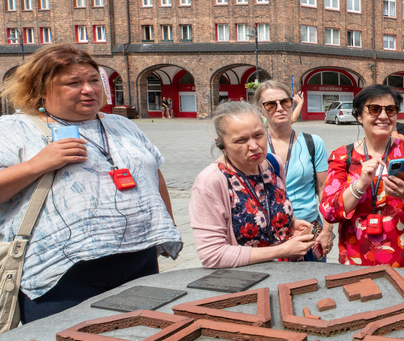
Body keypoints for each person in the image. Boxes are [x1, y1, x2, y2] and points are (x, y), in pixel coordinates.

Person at [0, 44, 182, 322]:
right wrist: (38, 164)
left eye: (94, 80)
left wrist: (167, 224)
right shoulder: (13, 129)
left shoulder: (123, 125)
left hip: (138, 259)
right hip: (63, 273)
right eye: (73, 83)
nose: (89, 89)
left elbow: (154, 173)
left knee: (141, 340)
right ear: (40, 89)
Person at [319, 84, 404, 268]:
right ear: (359, 115)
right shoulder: (342, 156)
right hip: (357, 258)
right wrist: (359, 185)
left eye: (391, 110)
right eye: (374, 109)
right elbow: (329, 212)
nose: (383, 116)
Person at [190, 102, 317, 267]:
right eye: (241, 140)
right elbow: (212, 255)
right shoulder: (211, 182)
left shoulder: (272, 163)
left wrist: (292, 223)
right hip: (249, 282)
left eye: (258, 135)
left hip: (288, 273)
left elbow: (273, 206)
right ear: (222, 144)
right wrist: (282, 250)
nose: (254, 146)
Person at [253, 80, 333, 261]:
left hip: (308, 230)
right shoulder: (255, 147)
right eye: (271, 104)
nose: (279, 108)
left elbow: (324, 189)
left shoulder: (313, 142)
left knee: (315, 283)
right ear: (261, 110)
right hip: (270, 234)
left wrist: (328, 229)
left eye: (285, 102)